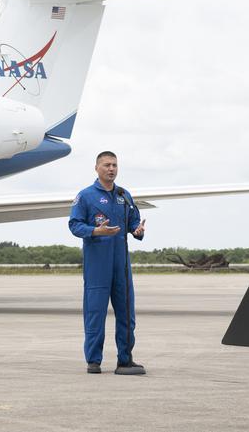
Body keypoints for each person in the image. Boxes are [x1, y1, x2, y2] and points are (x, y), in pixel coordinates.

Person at [68, 151, 146, 375]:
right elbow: (74, 225)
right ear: (97, 168)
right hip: (97, 266)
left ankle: (125, 359)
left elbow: (133, 223)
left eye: (114, 165)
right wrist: (95, 231)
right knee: (95, 313)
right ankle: (94, 360)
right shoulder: (86, 196)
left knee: (126, 314)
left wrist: (137, 230)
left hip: (121, 266)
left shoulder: (124, 195)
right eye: (106, 165)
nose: (111, 169)